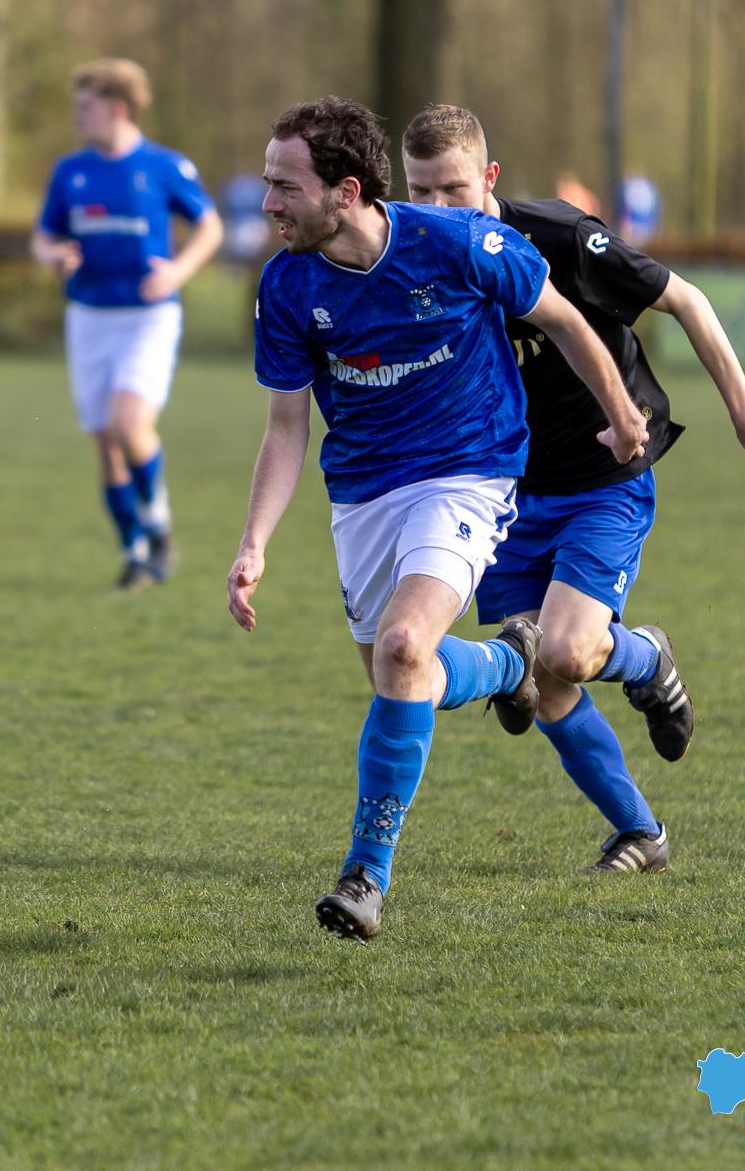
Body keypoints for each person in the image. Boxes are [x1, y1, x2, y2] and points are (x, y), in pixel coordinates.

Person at [228, 97, 649, 943]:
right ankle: (508, 663)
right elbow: (286, 429)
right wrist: (254, 543)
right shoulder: (286, 285)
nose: (268, 203)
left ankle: (365, 878)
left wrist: (622, 416)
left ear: (346, 192)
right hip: (362, 495)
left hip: (469, 474)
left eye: (285, 187)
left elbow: (564, 320)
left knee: (403, 646)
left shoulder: (460, 243)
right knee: (400, 678)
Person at [402, 104, 745, 876]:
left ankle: (647, 658)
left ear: (489, 177)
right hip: (507, 491)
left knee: (563, 651)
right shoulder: (415, 257)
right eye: (420, 191)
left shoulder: (559, 238)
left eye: (454, 189)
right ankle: (640, 834)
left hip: (604, 475)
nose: (438, 209)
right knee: (547, 683)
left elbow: (686, 300)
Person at [32, 58, 223, 590]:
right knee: (104, 441)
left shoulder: (163, 166)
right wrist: (53, 256)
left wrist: (178, 272)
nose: (77, 115)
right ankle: (135, 552)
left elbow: (210, 226)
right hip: (88, 317)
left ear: (117, 109)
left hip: (147, 318)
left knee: (129, 423)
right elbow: (43, 236)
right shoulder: (70, 171)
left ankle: (158, 523)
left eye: (85, 106)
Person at [617, 172, 660, 245]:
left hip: (631, 229)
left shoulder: (627, 186)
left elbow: (622, 208)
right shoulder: (649, 186)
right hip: (646, 228)